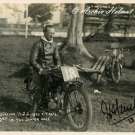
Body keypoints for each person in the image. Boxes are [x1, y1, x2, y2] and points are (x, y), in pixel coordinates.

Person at [28, 25, 61, 105]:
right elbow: (32, 60)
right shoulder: (38, 44)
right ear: (44, 32)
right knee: (40, 89)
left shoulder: (54, 44)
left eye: (53, 33)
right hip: (40, 69)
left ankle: (56, 97)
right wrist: (40, 68)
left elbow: (57, 58)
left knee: (61, 79)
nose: (52, 35)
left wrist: (58, 65)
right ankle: (33, 112)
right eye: (50, 33)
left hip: (51, 69)